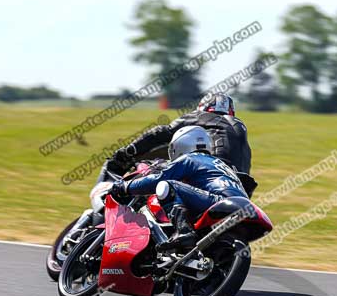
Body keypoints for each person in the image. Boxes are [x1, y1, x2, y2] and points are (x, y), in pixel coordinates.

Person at [110, 125, 247, 252]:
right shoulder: (220, 164)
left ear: (180, 146)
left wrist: (125, 187)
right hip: (243, 206)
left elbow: (158, 179)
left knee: (166, 185)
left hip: (218, 201)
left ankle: (183, 232)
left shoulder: (190, 158)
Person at [107, 93, 252, 176]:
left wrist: (129, 151)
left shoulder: (200, 116)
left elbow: (161, 133)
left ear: (203, 108)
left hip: (210, 176)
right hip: (241, 188)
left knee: (151, 170)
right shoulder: (239, 126)